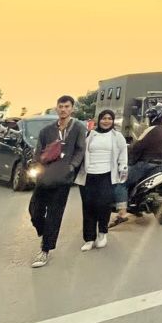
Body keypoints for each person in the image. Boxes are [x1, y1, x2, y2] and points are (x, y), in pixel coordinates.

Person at [28, 95, 87, 268]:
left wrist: (71, 167)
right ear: (56, 108)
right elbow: (38, 151)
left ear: (72, 108)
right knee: (34, 210)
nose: (63, 109)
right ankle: (44, 231)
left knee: (55, 213)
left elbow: (80, 149)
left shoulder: (78, 128)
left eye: (67, 106)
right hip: (45, 176)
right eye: (60, 106)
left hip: (63, 178)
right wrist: (35, 167)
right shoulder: (46, 130)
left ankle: (45, 250)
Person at [75, 109, 128, 251]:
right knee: (88, 206)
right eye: (103, 118)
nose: (106, 121)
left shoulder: (117, 136)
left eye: (109, 118)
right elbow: (80, 152)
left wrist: (123, 168)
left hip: (107, 175)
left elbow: (123, 154)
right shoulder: (90, 135)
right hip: (88, 175)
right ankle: (89, 238)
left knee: (103, 205)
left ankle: (102, 233)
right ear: (99, 120)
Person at [110, 106, 162, 227]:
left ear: (153, 117)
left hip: (147, 163)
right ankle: (136, 208)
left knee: (122, 181)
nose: (148, 119)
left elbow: (138, 146)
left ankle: (122, 213)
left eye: (149, 117)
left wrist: (130, 158)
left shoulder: (151, 129)